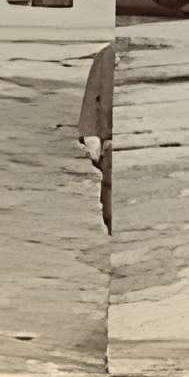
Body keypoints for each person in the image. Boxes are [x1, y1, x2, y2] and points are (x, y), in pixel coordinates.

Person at [81, 40, 116, 233]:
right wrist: (90, 133)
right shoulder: (107, 55)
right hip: (111, 145)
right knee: (109, 207)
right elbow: (92, 93)